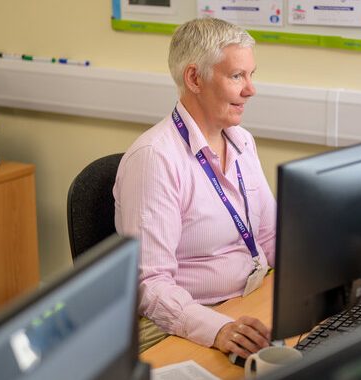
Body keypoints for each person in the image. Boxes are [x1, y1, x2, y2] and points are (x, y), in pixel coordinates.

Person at [113, 17, 276, 358]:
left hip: (245, 302)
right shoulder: (155, 159)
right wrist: (218, 329)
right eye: (237, 76)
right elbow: (150, 286)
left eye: (251, 75)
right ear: (194, 78)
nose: (251, 89)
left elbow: (268, 238)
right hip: (182, 323)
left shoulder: (242, 141)